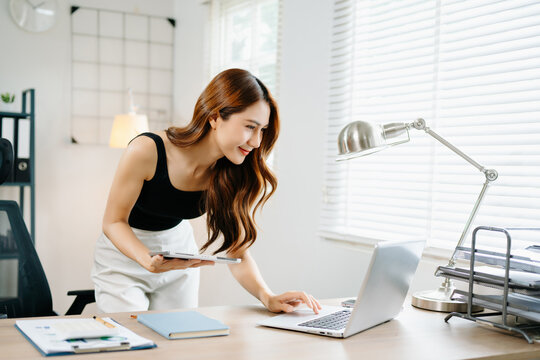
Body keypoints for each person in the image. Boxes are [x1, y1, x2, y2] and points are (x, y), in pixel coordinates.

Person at [91, 68, 321, 315]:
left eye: (262, 130)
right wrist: (147, 259)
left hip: (176, 254)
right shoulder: (147, 150)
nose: (256, 142)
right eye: (250, 127)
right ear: (214, 117)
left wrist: (268, 297)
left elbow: (238, 252)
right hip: (124, 258)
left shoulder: (232, 171)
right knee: (130, 341)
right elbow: (113, 222)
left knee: (178, 344)